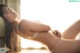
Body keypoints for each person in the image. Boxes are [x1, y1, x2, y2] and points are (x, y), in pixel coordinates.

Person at [0, 4, 80, 53]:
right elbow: (47, 27)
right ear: (5, 21)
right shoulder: (22, 24)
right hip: (59, 46)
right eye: (6, 12)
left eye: (9, 8)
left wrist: (54, 32)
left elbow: (46, 31)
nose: (10, 10)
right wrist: (51, 30)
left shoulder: (18, 28)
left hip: (59, 41)